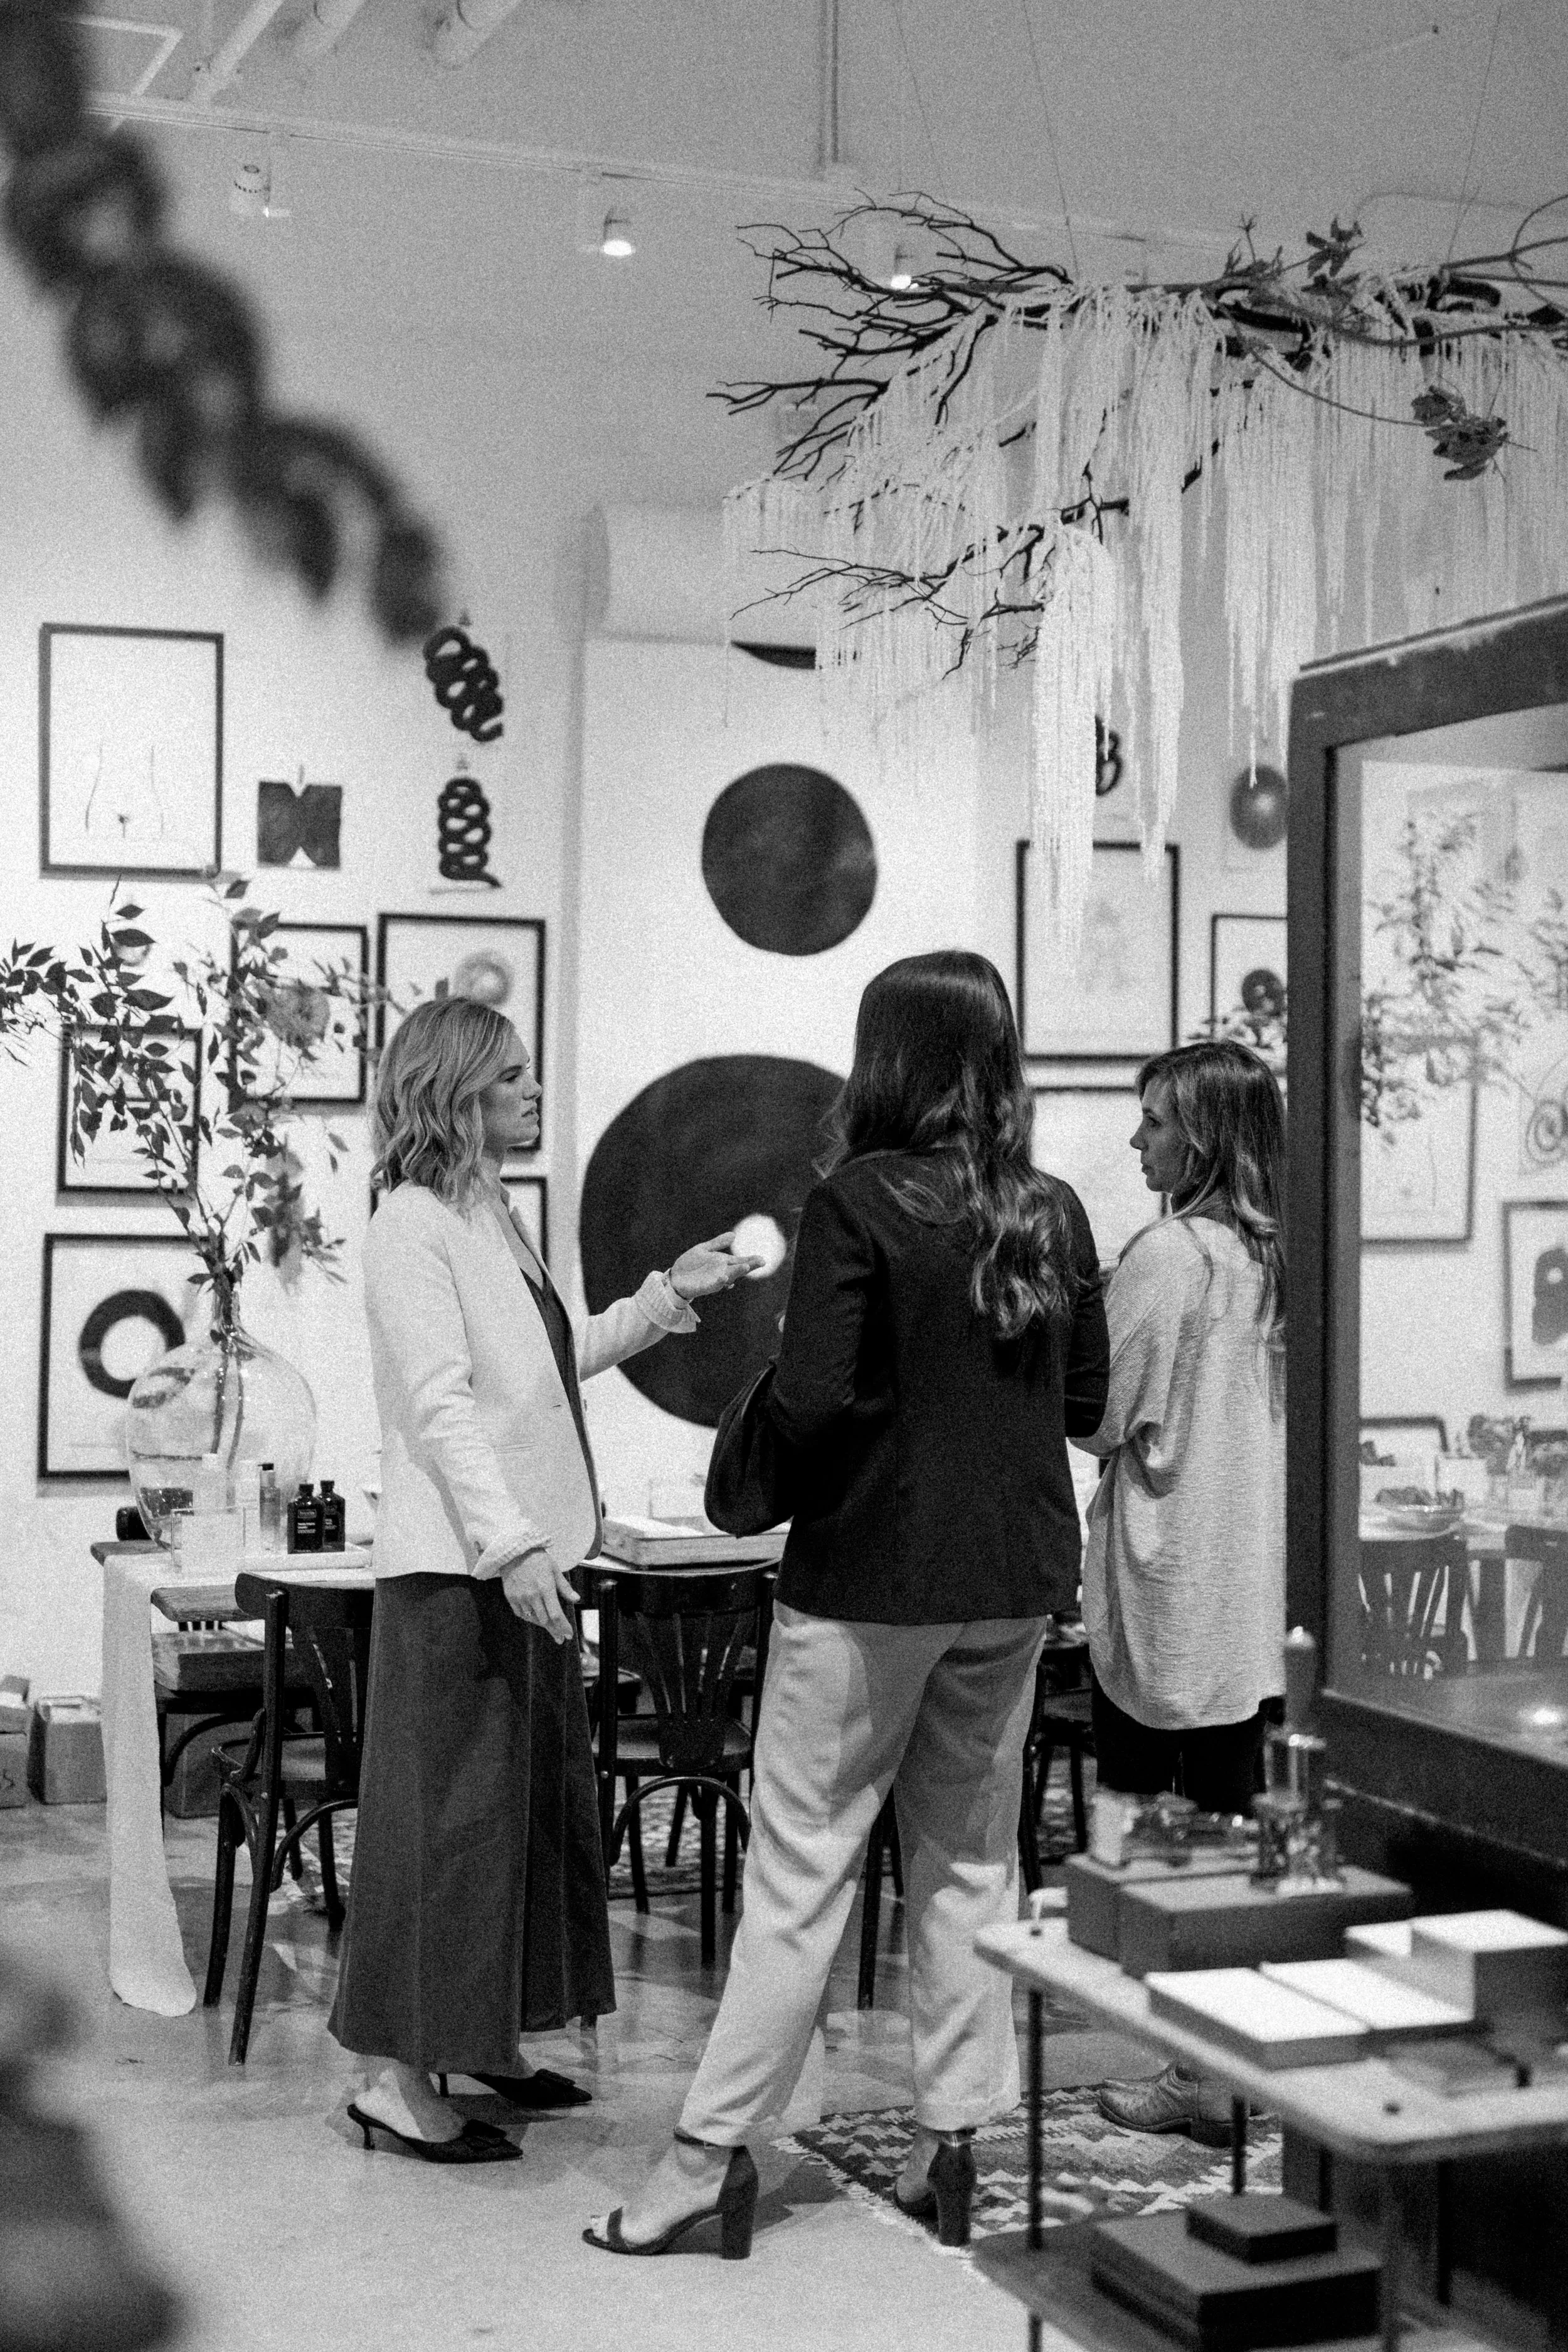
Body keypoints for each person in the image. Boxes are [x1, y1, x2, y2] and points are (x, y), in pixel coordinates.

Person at [586, 949, 1110, 2255]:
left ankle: (708, 2155)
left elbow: (811, 1397)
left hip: (869, 1583)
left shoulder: (858, 1203)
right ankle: (953, 2143)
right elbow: (1087, 1406)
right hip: (1011, 1588)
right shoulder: (1048, 1209)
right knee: (967, 1865)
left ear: (886, 1059)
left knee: (802, 1870)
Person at [329, 995, 756, 2162]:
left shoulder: (486, 1210)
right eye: (511, 1076)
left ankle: (485, 2039)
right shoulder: (409, 1222)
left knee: (525, 1824)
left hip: (521, 1558)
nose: (531, 1090)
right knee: (450, 1830)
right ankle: (394, 2077)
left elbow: (542, 1365)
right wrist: (509, 1544)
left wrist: (667, 1296)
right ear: (457, 1091)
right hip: (459, 1572)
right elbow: (439, 1402)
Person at [1075, 1038, 1286, 2141]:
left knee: (1155, 1846)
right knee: (1233, 1835)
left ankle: (1191, 2072)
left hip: (1173, 1581)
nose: (1136, 1138)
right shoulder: (1278, 1258)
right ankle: (1225, 2068)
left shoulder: (1173, 1254)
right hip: (1247, 1592)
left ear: (1200, 1134)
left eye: (1154, 1119)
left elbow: (1106, 1415)